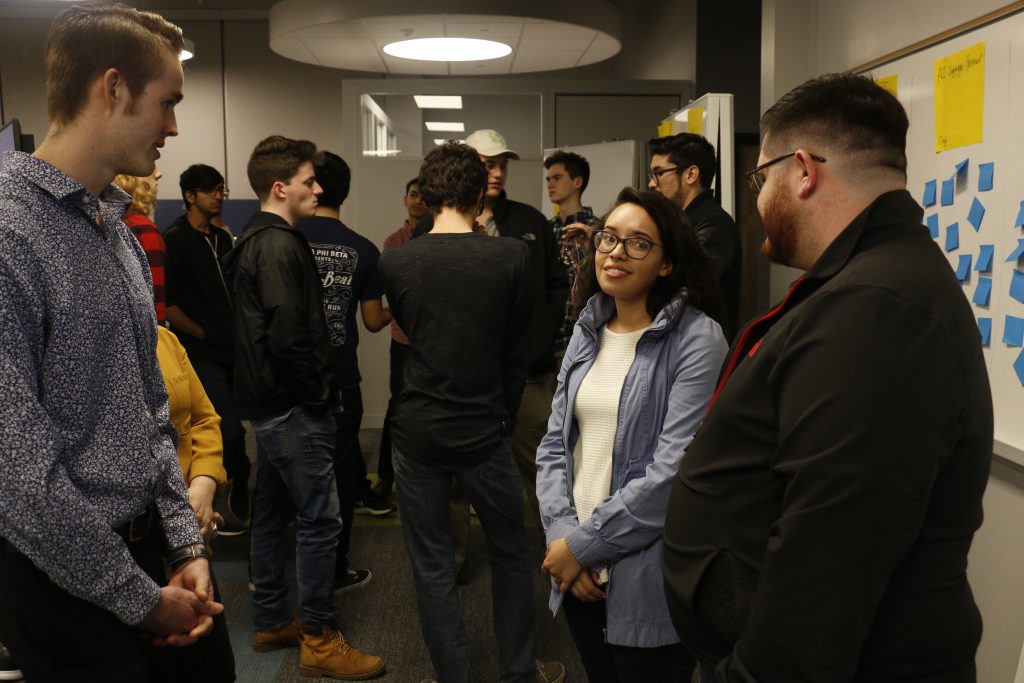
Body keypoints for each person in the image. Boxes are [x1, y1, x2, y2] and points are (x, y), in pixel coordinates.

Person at [662, 73, 993, 683]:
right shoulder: (866, 282)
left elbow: (825, 569)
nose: (759, 200)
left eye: (760, 180)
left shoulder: (879, 308)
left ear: (802, 171)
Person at [0, 4, 222, 680]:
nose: (174, 127)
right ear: (114, 87)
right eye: (168, 102)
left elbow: (150, 411)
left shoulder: (115, 231)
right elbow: (17, 469)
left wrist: (185, 546)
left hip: (151, 553)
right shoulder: (9, 231)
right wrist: (139, 600)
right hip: (64, 582)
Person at [380, 141, 564, 683]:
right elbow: (515, 349)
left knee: (431, 564)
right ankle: (517, 672)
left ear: (427, 192)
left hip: (417, 428)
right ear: (479, 192)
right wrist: (502, 416)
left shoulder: (396, 259)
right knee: (510, 553)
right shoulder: (510, 256)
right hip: (484, 426)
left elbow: (416, 334)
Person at [536, 187, 726, 683]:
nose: (616, 252)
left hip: (645, 573)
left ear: (667, 264)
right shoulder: (588, 328)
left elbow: (672, 474)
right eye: (608, 238)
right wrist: (563, 538)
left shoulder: (697, 339)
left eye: (638, 243)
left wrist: (584, 546)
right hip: (577, 570)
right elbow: (554, 445)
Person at [223, 135, 384, 680]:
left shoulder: (257, 237)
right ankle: (317, 636)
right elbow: (290, 337)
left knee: (271, 510)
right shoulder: (278, 245)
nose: (318, 189)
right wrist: (319, 397)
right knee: (320, 519)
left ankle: (271, 621)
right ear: (280, 188)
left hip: (272, 403)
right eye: (308, 181)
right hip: (294, 407)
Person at [416, 129, 567, 573]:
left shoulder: (530, 221)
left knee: (538, 467)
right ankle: (455, 560)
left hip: (528, 374)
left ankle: (546, 556)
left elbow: (555, 286)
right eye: (487, 164)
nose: (497, 172)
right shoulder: (431, 228)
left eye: (502, 164)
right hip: (462, 381)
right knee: (455, 479)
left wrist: (537, 341)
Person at [296, 150, 392, 596]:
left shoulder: (286, 237)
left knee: (286, 471)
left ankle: (272, 571)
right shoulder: (364, 249)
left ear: (313, 187)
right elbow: (372, 322)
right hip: (340, 377)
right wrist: (400, 307)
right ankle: (335, 568)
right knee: (338, 472)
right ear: (345, 192)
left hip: (291, 374)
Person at [164, 163, 250, 533]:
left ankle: (237, 483)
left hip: (233, 350)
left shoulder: (222, 239)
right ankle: (225, 490)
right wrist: (203, 334)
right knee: (228, 430)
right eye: (211, 190)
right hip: (199, 354)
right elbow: (169, 306)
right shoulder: (175, 240)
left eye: (220, 190)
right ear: (190, 196)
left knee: (239, 425)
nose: (218, 197)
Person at [153, 326, 237, 682]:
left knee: (215, 667)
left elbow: (204, 419)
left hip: (189, 544)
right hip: (134, 546)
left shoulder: (164, 339)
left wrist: (203, 486)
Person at [648, 132, 741, 338]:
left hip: (699, 345)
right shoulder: (681, 222)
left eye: (659, 173)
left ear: (691, 174)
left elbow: (678, 286)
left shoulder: (715, 225)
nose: (652, 184)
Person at [374, 177, 427, 499]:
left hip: (435, 340)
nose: (418, 200)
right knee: (398, 407)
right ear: (405, 199)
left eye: (423, 196)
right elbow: (396, 291)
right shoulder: (394, 241)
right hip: (404, 340)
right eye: (413, 194)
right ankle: (386, 476)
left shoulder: (439, 238)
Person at [115, 167, 167, 323]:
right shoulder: (143, 228)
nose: (159, 174)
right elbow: (155, 306)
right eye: (151, 165)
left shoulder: (112, 223)